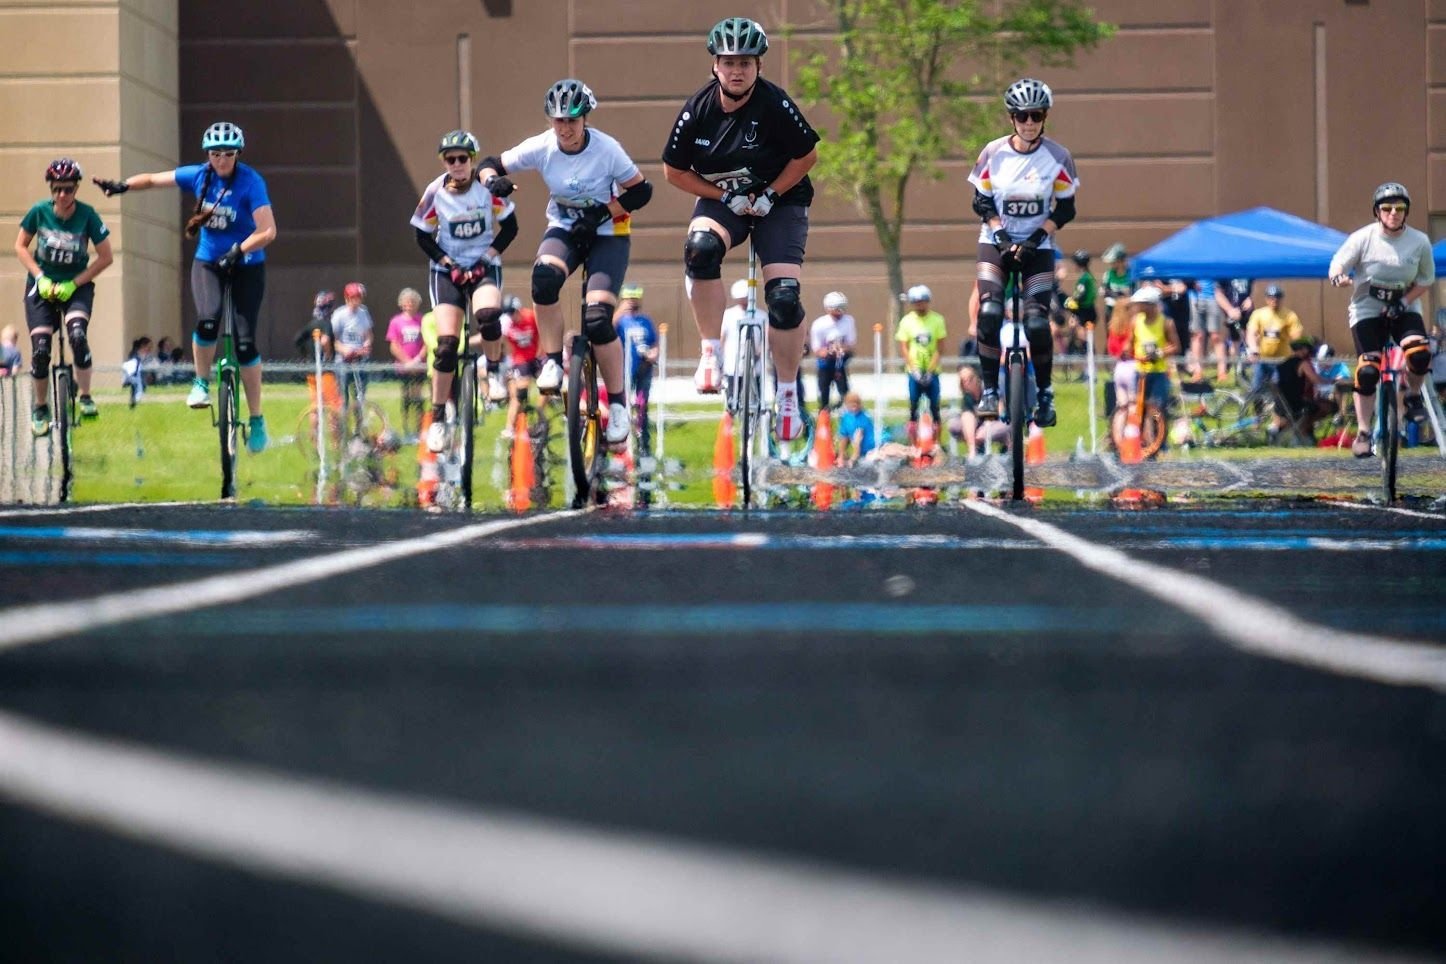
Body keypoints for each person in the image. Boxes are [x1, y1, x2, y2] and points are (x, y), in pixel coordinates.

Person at [662, 16, 821, 443]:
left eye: (746, 63)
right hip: (725, 200)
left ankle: (787, 394)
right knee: (700, 249)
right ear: (715, 65)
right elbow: (674, 171)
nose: (737, 70)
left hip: (780, 200)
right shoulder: (698, 110)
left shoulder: (774, 103)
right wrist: (721, 193)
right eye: (729, 61)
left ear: (758, 67)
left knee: (784, 299)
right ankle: (711, 351)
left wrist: (769, 194)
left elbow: (806, 157)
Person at [477, 79, 651, 450]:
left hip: (608, 233)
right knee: (542, 279)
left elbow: (641, 191)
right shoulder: (543, 146)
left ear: (585, 119)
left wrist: (604, 212)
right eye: (558, 121)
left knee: (598, 318)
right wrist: (494, 183)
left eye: (572, 121)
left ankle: (618, 405)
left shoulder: (606, 149)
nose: (565, 129)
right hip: (566, 228)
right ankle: (553, 360)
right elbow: (489, 164)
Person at [95, 122, 277, 450]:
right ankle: (200, 382)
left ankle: (257, 418)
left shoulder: (251, 183)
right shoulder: (200, 176)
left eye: (228, 154)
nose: (221, 160)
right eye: (215, 154)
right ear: (208, 155)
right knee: (208, 319)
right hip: (209, 261)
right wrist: (122, 186)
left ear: (238, 154)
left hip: (246, 263)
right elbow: (153, 179)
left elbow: (268, 231)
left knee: (246, 343)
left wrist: (238, 251)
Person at [968, 77, 1079, 428]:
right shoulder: (993, 152)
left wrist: (1033, 239)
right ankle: (989, 391)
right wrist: (1001, 235)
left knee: (1035, 322)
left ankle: (1045, 394)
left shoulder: (1058, 157)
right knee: (989, 313)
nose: (1029, 123)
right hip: (996, 241)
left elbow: (1065, 209)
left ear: (1045, 116)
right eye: (1022, 116)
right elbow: (981, 199)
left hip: (1038, 246)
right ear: (1011, 118)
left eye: (1036, 115)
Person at [1329, 181, 1435, 457]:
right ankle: (1364, 431)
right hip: (1368, 307)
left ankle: (1412, 396)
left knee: (1419, 354)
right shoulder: (1363, 238)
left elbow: (1425, 279)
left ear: (1406, 212)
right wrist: (1339, 276)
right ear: (1377, 212)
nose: (1393, 213)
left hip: (1405, 305)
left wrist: (1403, 302)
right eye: (1387, 208)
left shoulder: (1419, 241)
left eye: (1399, 208)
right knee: (1367, 370)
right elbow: (1338, 262)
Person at [15, 158, 114, 436]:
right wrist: (40, 276)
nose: (62, 195)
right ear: (51, 189)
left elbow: (106, 257)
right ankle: (40, 406)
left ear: (76, 189)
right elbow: (20, 246)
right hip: (42, 285)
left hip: (76, 284)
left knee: (78, 335)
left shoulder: (88, 215)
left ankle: (85, 396)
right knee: (41, 349)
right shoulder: (39, 212)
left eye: (68, 189)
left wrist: (74, 283)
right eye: (57, 189)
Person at [896, 285, 947, 432]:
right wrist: (914, 369)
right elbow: (904, 347)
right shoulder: (906, 321)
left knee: (935, 408)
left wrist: (931, 369)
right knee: (913, 407)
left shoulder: (937, 320)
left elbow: (940, 347)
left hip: (933, 370)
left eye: (922, 301)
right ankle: (913, 443)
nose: (919, 305)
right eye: (916, 302)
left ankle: (936, 443)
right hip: (914, 370)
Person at [614, 284, 658, 450]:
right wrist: (619, 312)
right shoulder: (619, 321)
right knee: (622, 403)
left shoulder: (645, 321)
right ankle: (621, 441)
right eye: (629, 299)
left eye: (635, 299)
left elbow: (654, 342)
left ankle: (643, 442)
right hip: (623, 368)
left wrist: (653, 353)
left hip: (643, 368)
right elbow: (607, 331)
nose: (632, 302)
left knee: (641, 405)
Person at [1127, 285, 1179, 416]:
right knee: (1139, 409)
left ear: (1149, 305)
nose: (1136, 307)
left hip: (1159, 373)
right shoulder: (1135, 321)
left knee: (1157, 410)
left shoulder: (1166, 323)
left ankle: (1158, 435)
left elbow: (1176, 346)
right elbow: (1130, 343)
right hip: (1140, 372)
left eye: (1139, 304)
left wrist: (1159, 353)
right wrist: (1126, 350)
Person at [1244, 284, 1302, 393]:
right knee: (1256, 388)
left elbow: (1296, 336)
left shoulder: (1289, 315)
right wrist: (1253, 349)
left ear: (1282, 298)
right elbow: (1251, 333)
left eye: (1277, 297)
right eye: (1271, 297)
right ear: (1266, 298)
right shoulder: (1259, 314)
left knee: (1279, 389)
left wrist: (1296, 350)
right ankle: (1259, 408)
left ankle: (1277, 409)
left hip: (1282, 360)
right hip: (1262, 358)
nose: (1274, 300)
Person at [501, 294, 541, 440]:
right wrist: (512, 359)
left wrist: (540, 353)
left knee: (548, 389)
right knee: (519, 394)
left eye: (513, 312)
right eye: (509, 313)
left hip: (535, 357)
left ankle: (538, 418)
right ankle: (510, 427)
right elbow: (504, 342)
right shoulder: (507, 324)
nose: (511, 316)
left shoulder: (530, 316)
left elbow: (541, 334)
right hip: (520, 360)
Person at [387, 287, 427, 427]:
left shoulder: (423, 320)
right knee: (406, 396)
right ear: (401, 304)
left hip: (419, 366)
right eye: (407, 302)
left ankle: (420, 426)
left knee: (418, 397)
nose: (410, 305)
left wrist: (416, 361)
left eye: (413, 302)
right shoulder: (396, 321)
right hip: (403, 367)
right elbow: (394, 345)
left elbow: (427, 343)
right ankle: (405, 425)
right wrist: (407, 362)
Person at [331, 281, 374, 413]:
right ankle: (344, 427)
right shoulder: (339, 314)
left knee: (359, 396)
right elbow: (334, 340)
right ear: (348, 298)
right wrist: (345, 350)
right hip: (343, 360)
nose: (358, 301)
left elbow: (369, 335)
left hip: (360, 359)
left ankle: (358, 429)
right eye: (355, 298)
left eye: (359, 298)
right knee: (343, 396)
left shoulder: (363, 312)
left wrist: (367, 344)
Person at [809, 291, 856, 409]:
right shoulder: (819, 324)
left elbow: (851, 344)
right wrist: (828, 351)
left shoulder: (848, 321)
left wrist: (841, 349)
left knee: (845, 393)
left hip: (840, 364)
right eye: (837, 309)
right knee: (823, 395)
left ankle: (846, 419)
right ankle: (824, 419)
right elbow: (816, 348)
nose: (840, 313)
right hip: (825, 365)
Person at [1061, 249, 1096, 354]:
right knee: (1078, 333)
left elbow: (1079, 296)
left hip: (1085, 312)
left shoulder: (1085, 278)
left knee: (1083, 336)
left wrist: (1069, 302)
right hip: (1086, 311)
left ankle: (1089, 358)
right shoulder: (1088, 277)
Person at [948, 363, 984, 454]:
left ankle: (973, 450)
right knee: (965, 417)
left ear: (977, 378)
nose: (967, 383)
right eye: (963, 381)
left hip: (991, 421)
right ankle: (973, 450)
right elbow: (967, 413)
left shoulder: (987, 392)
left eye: (970, 379)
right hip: (973, 425)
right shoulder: (967, 397)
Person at [836, 391, 875, 465]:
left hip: (870, 450)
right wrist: (840, 456)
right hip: (862, 453)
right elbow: (843, 437)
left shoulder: (864, 417)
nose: (854, 407)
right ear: (846, 405)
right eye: (851, 404)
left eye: (856, 403)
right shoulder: (846, 418)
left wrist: (852, 459)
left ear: (860, 404)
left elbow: (858, 444)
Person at [295, 290, 335, 360]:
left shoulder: (310, 325)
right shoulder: (327, 324)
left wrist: (305, 355)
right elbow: (325, 341)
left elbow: (297, 340)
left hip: (312, 364)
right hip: (324, 365)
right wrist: (328, 356)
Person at [121, 336, 154, 407]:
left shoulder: (148, 356)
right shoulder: (135, 356)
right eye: (148, 347)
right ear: (143, 346)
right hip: (135, 376)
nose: (150, 349)